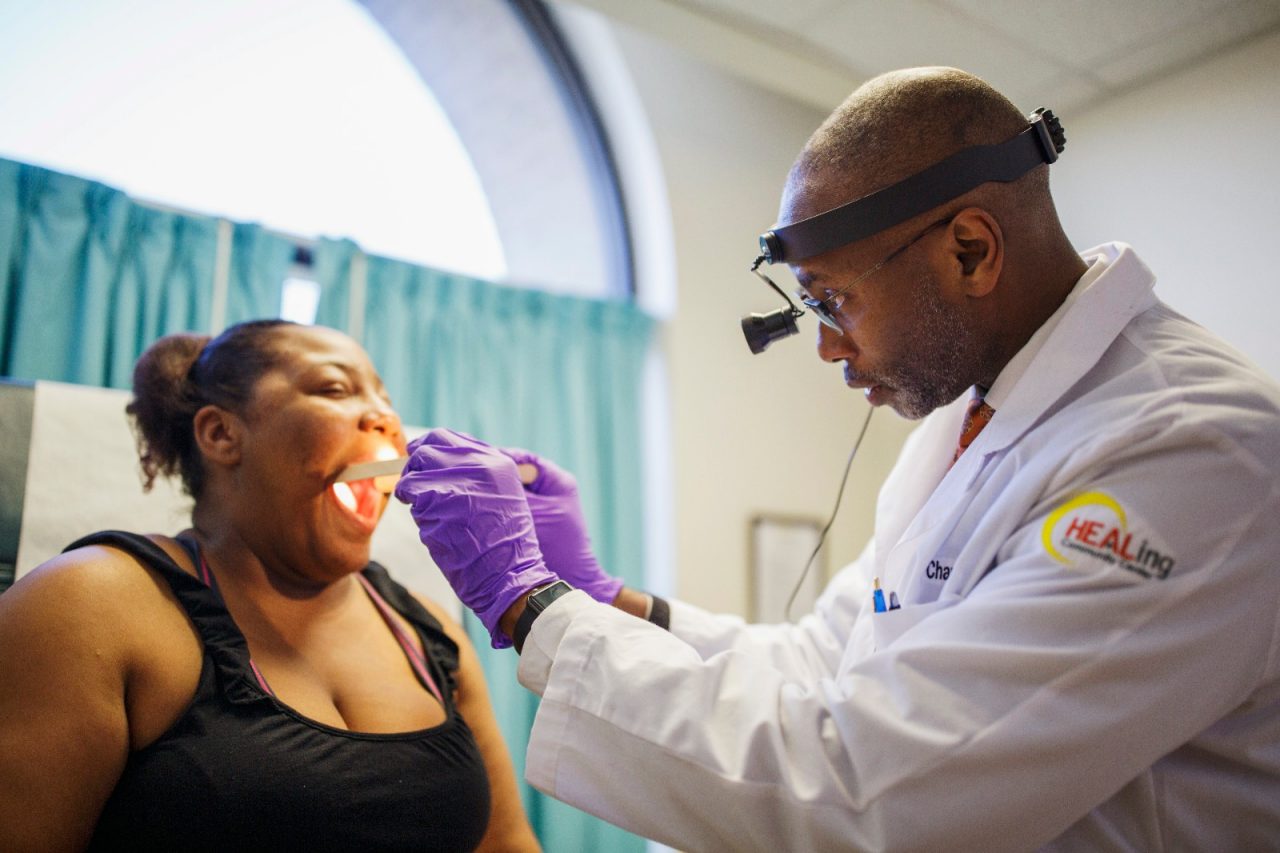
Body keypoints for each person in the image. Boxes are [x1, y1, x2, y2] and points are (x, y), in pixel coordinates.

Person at [392, 66, 1280, 851]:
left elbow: (876, 794)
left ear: (971, 249)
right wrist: (605, 597)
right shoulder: (965, 418)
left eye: (832, 301)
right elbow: (827, 663)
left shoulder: (1196, 449)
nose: (824, 349)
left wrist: (530, 606)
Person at [0, 320, 540, 852]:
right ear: (221, 434)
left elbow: (507, 843)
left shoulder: (427, 629)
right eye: (336, 388)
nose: (387, 418)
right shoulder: (89, 602)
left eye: (385, 398)